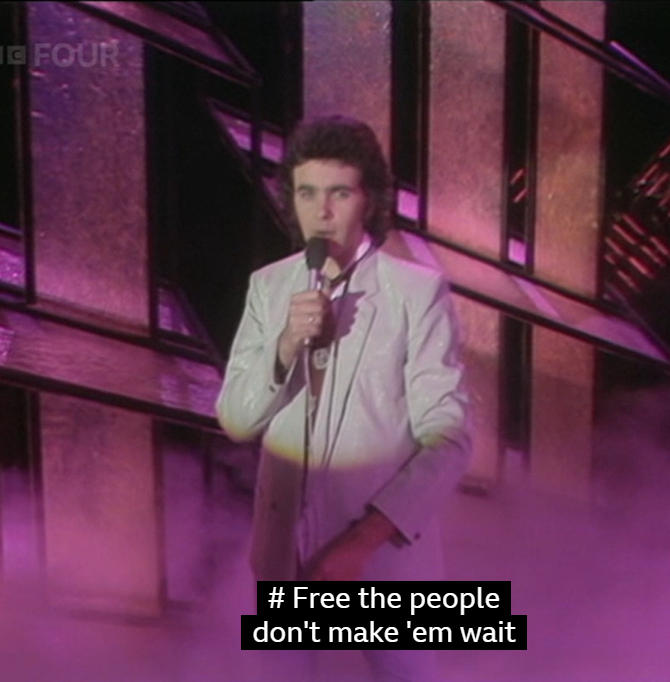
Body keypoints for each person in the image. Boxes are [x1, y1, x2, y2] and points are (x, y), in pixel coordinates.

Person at [216, 115, 470, 679]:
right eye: (306, 193)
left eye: (339, 193)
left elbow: (450, 440)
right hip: (286, 561)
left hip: (381, 562)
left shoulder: (416, 292)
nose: (321, 211)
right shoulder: (269, 286)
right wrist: (285, 344)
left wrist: (363, 541)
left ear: (369, 200)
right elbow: (235, 419)